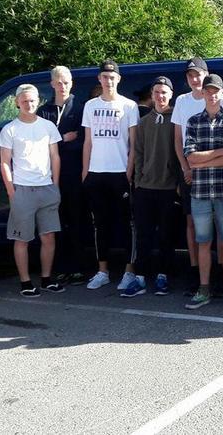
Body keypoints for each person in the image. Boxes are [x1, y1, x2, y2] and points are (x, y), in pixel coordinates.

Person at [171, 58, 223, 296]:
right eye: (190, 75)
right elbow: (178, 140)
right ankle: (195, 272)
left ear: (207, 75)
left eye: (198, 74)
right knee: (192, 224)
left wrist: (201, 162)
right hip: (188, 170)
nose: (195, 79)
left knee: (221, 228)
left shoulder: (221, 100)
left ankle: (220, 275)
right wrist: (186, 168)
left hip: (217, 175)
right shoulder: (182, 101)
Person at [0, 84, 65, 297]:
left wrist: (55, 185)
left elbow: (55, 156)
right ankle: (25, 282)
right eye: (25, 101)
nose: (29, 104)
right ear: (17, 102)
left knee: (48, 237)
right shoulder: (10, 129)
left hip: (46, 188)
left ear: (38, 101)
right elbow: (4, 162)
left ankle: (46, 279)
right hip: (22, 189)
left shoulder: (48, 126)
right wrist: (11, 191)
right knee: (22, 239)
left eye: (33, 100)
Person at [183, 74, 223, 310]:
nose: (212, 94)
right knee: (203, 242)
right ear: (203, 93)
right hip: (200, 193)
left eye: (215, 90)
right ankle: (204, 289)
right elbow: (190, 157)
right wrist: (218, 152)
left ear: (221, 93)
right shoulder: (193, 121)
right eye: (208, 90)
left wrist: (201, 161)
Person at [82, 60, 140, 291]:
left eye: (112, 77)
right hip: (96, 173)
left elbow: (134, 144)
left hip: (120, 173)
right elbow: (88, 141)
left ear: (119, 79)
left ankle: (129, 271)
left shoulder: (129, 106)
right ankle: (102, 271)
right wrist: (85, 172)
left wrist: (129, 171)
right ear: (100, 79)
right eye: (105, 77)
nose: (108, 81)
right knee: (100, 224)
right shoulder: (90, 106)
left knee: (126, 224)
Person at [36, 65, 93, 287]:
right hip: (49, 177)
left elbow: (84, 142)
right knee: (55, 222)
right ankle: (60, 267)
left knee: (77, 221)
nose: (62, 86)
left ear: (72, 83)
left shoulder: (81, 108)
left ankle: (78, 268)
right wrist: (62, 139)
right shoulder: (43, 111)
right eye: (58, 82)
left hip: (75, 175)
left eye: (66, 82)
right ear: (52, 84)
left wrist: (59, 143)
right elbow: (40, 144)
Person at [129, 76, 181, 296]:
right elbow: (138, 152)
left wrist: (177, 181)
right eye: (156, 92)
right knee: (144, 234)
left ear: (171, 95)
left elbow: (180, 152)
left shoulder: (176, 120)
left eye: (164, 92)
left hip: (168, 187)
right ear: (151, 95)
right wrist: (139, 179)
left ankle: (163, 276)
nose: (160, 96)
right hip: (145, 187)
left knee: (166, 236)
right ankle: (140, 277)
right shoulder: (143, 122)